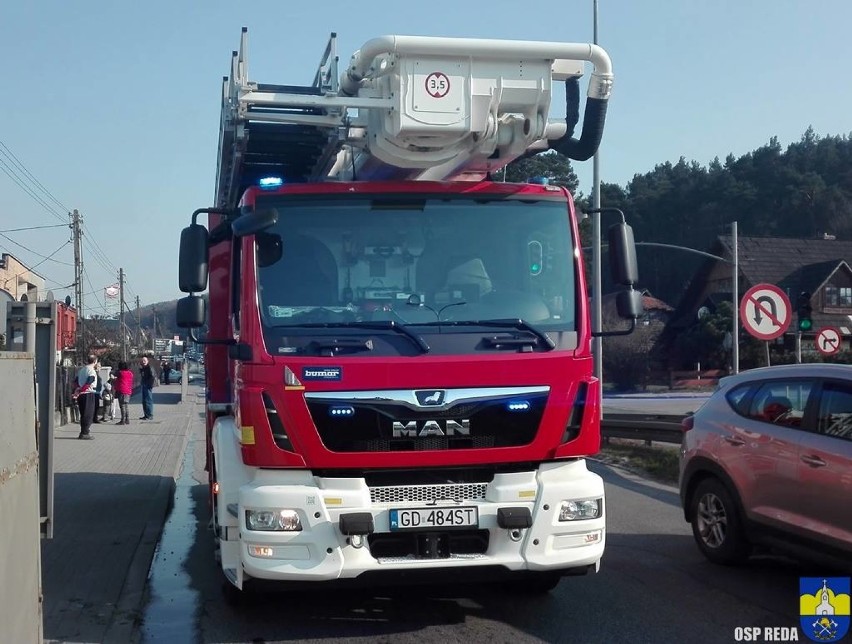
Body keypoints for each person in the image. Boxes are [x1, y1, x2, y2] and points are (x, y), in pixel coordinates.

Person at [74, 355, 98, 439]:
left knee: (83, 413)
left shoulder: (82, 370)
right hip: (88, 393)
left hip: (81, 395)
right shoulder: (91, 371)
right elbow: (89, 382)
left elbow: (76, 380)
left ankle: (84, 431)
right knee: (88, 413)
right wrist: (81, 389)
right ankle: (85, 432)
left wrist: (77, 389)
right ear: (95, 361)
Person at [139, 356, 156, 420]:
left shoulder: (149, 368)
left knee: (148, 400)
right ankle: (146, 415)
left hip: (147, 386)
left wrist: (149, 385)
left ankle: (150, 415)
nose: (143, 362)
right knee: (144, 401)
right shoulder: (143, 368)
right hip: (144, 385)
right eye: (142, 361)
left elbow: (152, 376)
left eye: (144, 361)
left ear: (147, 361)